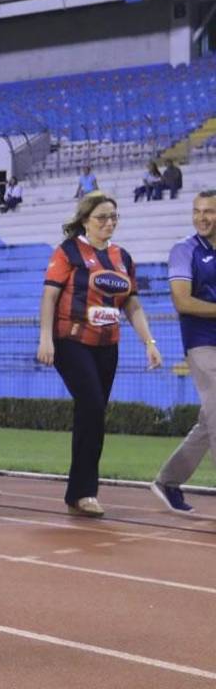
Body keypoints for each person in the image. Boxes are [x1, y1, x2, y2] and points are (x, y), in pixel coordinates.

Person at [36, 194, 161, 517]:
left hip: (109, 345)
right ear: (85, 220)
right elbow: (49, 296)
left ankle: (77, 492)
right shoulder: (68, 251)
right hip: (71, 341)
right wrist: (45, 339)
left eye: (114, 217)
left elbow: (132, 305)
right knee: (91, 405)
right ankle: (85, 492)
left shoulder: (123, 258)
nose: (109, 223)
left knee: (92, 414)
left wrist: (150, 341)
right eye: (102, 217)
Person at [150, 191, 216, 514]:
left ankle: (168, 480)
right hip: (202, 343)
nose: (202, 217)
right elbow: (182, 301)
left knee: (209, 420)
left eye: (210, 212)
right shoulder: (184, 251)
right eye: (197, 211)